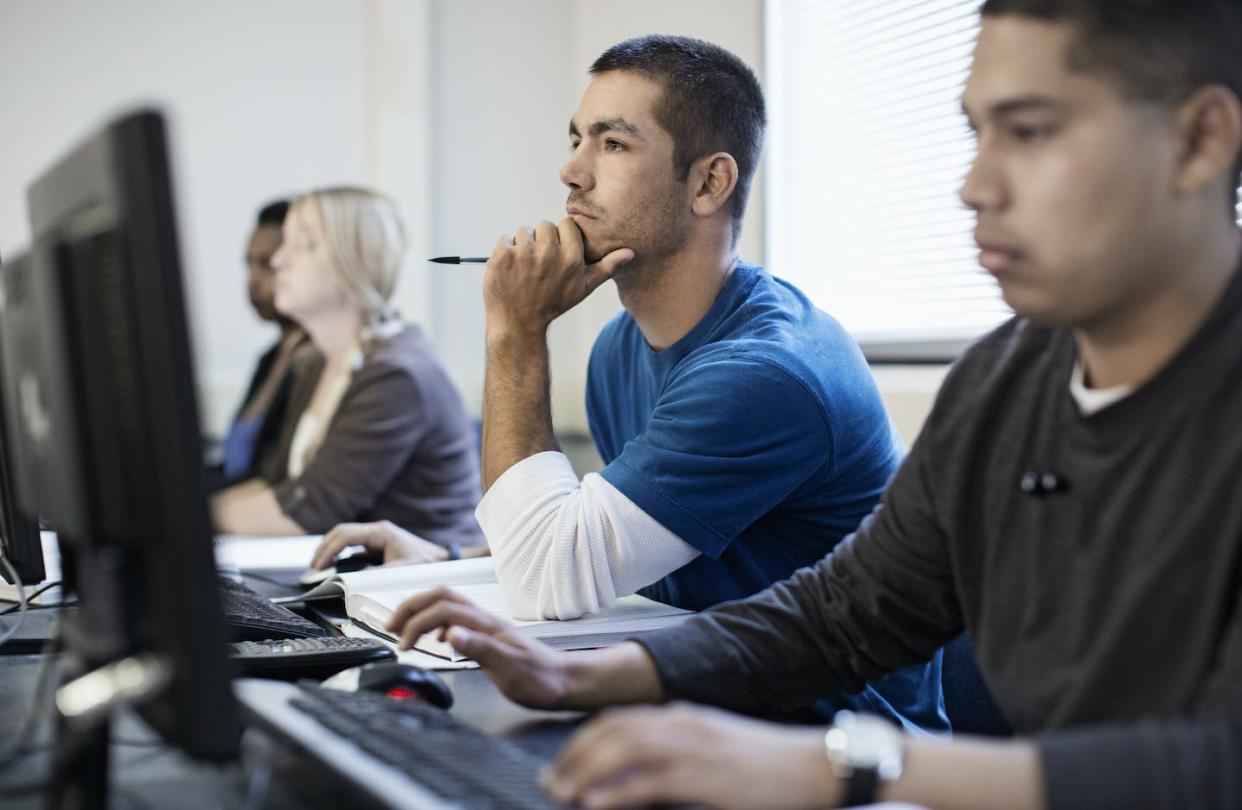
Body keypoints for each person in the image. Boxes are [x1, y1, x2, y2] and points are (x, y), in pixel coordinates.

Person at [383, 2, 1242, 807]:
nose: (974, 186)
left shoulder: (779, 364)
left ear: (1200, 141)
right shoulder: (1010, 377)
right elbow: (844, 612)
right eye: (976, 134)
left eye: (1029, 132)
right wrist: (584, 675)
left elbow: (1210, 764)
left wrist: (836, 762)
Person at [320, 36, 945, 731]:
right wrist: (446, 558)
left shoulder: (763, 374)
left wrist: (515, 333)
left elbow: (544, 580)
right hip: (699, 691)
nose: (570, 172)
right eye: (577, 139)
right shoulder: (621, 346)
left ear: (709, 183)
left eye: (613, 144)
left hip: (830, 733)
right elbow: (623, 539)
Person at [211, 187, 484, 555]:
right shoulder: (313, 363)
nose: (278, 261)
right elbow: (279, 484)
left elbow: (309, 510)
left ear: (354, 261)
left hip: (421, 588)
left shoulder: (397, 375)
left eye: (303, 244)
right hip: (352, 580)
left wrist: (187, 520)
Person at [211, 199, 310, 491]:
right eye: (249, 264)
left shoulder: (317, 362)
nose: (252, 281)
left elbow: (280, 480)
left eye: (267, 264)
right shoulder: (270, 359)